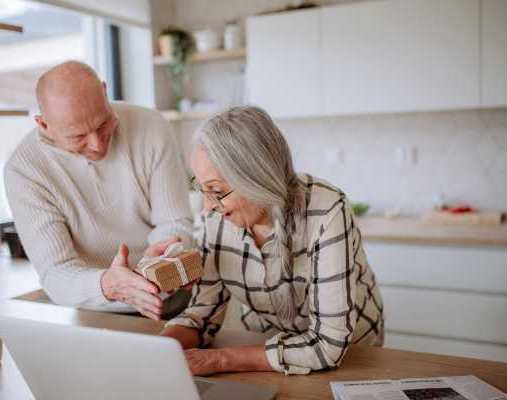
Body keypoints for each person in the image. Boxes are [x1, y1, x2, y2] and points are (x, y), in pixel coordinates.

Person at [159, 105, 385, 375]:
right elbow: (203, 314)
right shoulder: (216, 217)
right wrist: (154, 350)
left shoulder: (327, 212)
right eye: (202, 188)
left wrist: (221, 360)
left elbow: (328, 346)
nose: (208, 206)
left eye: (216, 190)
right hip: (265, 353)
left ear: (255, 179)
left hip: (352, 357)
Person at [4, 61, 195, 321]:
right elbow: (56, 272)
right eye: (77, 136)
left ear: (105, 92)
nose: (97, 144)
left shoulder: (151, 126)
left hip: (173, 300)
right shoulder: (24, 171)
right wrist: (109, 285)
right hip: (96, 312)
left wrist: (158, 265)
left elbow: (174, 220)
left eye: (104, 122)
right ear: (44, 125)